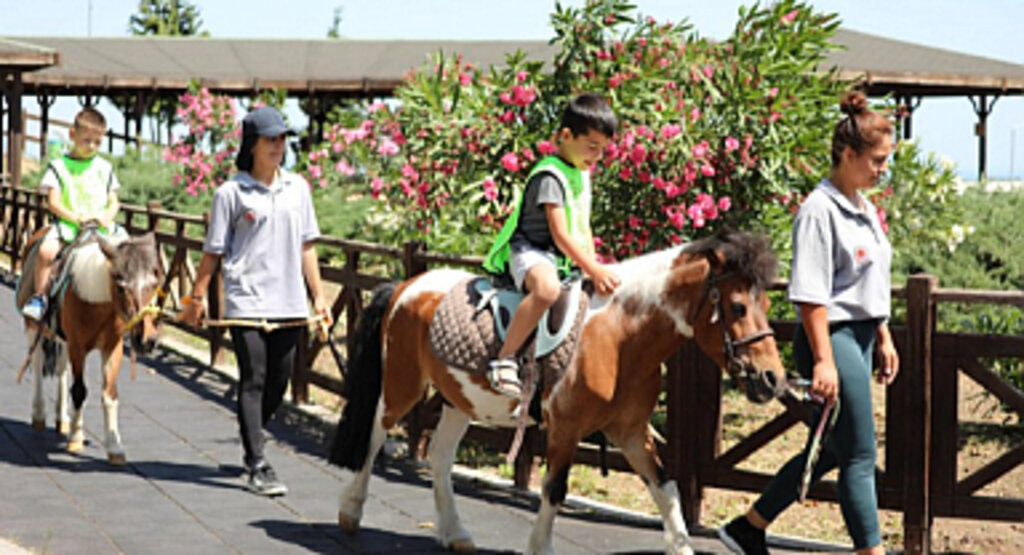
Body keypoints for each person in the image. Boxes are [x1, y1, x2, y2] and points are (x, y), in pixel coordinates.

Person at [718, 91, 900, 555]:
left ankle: (749, 527)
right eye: (877, 160)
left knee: (837, 451)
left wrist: (882, 335)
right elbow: (812, 295)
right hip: (831, 339)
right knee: (860, 456)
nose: (883, 169)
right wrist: (824, 361)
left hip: (859, 337)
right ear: (847, 154)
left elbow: (871, 280)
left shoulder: (862, 206)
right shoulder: (819, 210)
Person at [182, 106, 331, 497]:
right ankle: (257, 461)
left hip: (290, 303)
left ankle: (251, 431)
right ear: (252, 144)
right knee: (255, 377)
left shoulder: (298, 187)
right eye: (270, 139)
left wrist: (319, 298)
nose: (278, 145)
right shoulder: (230, 193)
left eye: (282, 138)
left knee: (278, 384)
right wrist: (196, 297)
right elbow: (213, 252)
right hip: (246, 300)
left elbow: (307, 247)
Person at [482, 93, 622, 398]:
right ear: (566, 136)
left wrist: (592, 262)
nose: (597, 157)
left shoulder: (580, 172)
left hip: (560, 257)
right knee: (547, 290)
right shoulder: (551, 176)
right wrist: (593, 268)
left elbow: (581, 226)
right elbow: (560, 234)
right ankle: (504, 359)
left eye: (603, 150)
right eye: (592, 147)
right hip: (530, 251)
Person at [22, 107, 123, 321]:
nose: (92, 147)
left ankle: (132, 306)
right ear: (72, 135)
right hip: (69, 225)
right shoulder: (59, 167)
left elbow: (114, 201)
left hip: (102, 227)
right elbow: (54, 202)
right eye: (87, 140)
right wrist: (76, 217)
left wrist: (107, 216)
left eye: (97, 142)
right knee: (46, 252)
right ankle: (40, 297)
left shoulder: (105, 168)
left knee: (130, 254)